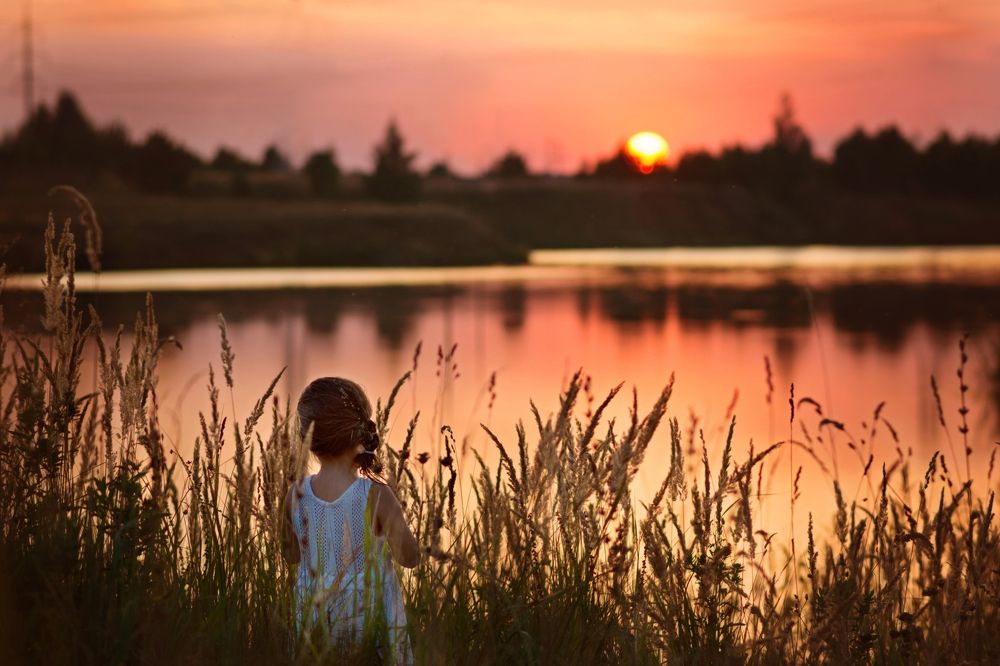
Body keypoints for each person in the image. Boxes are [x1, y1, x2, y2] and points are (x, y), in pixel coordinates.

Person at [283, 377, 419, 663]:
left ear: (308, 439)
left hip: (314, 621)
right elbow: (409, 557)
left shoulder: (294, 496)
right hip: (367, 621)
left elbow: (291, 555)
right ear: (359, 433)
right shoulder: (375, 496)